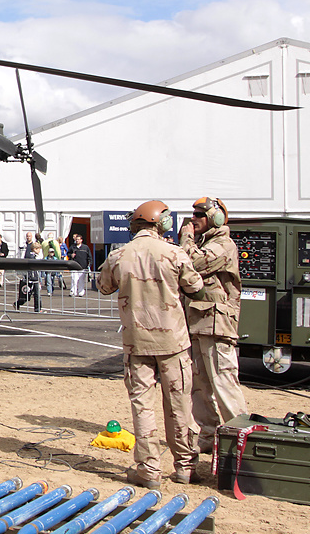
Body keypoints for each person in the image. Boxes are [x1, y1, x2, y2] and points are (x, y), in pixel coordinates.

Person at [98, 200, 205, 487]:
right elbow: (196, 287)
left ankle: (149, 469)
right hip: (173, 342)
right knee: (180, 404)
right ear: (162, 223)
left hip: (137, 343)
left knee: (142, 407)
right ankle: (185, 466)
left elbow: (104, 286)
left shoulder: (119, 255)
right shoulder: (174, 253)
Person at [178, 195, 248, 454]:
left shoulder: (223, 245)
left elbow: (193, 264)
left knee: (224, 383)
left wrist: (186, 238)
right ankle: (208, 436)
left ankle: (241, 438)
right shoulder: (201, 243)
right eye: (193, 215)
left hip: (216, 325)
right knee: (199, 387)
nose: (193, 219)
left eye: (199, 215)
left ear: (215, 218)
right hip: (197, 324)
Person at [16, 240, 42, 312]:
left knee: (37, 294)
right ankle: (18, 303)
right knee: (27, 295)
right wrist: (28, 277)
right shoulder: (31, 256)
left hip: (35, 278)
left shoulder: (37, 256)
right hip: (30, 278)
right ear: (34, 249)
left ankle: (38, 309)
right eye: (38, 249)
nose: (39, 250)